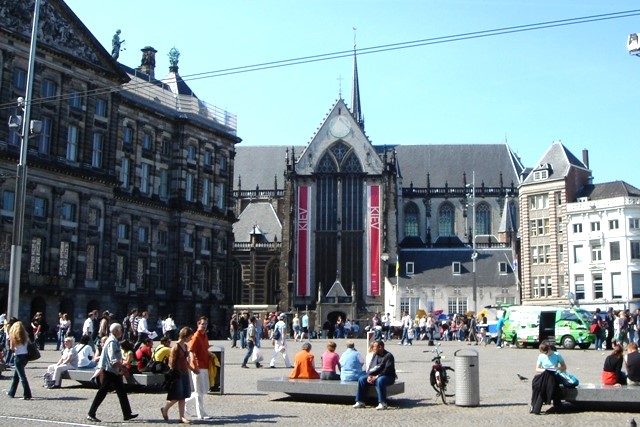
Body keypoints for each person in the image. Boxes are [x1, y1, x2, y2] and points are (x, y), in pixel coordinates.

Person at [87, 323, 138, 423]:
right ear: (117, 331)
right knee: (102, 392)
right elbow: (113, 359)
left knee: (121, 392)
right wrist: (123, 367)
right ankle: (91, 413)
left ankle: (127, 414)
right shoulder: (112, 342)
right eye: (121, 330)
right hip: (110, 371)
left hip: (113, 371)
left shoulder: (113, 340)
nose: (122, 332)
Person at [161, 327, 194, 424]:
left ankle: (182, 417)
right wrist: (173, 374)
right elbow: (171, 363)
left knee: (183, 396)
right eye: (190, 337)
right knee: (177, 396)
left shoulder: (185, 346)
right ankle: (165, 409)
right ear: (185, 336)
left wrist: (192, 369)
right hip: (177, 374)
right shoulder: (175, 347)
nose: (191, 339)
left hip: (184, 373)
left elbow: (185, 361)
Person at [353, 340, 396, 410]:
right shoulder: (375, 355)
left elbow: (387, 370)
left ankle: (382, 403)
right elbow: (371, 367)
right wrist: (369, 375)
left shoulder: (389, 356)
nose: (373, 349)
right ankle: (360, 401)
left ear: (380, 347)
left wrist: (376, 376)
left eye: (374, 347)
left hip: (388, 376)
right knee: (361, 379)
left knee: (380, 380)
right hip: (375, 375)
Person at [186, 316, 212, 420]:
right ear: (198, 324)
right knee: (198, 391)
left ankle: (185, 402)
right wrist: (194, 365)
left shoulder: (205, 335)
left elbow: (205, 348)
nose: (204, 326)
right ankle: (201, 413)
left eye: (206, 324)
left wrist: (209, 354)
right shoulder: (195, 336)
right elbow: (191, 351)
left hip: (205, 365)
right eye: (202, 324)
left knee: (204, 389)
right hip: (198, 366)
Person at [530, 341, 566, 415]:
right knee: (540, 383)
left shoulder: (557, 355)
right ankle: (537, 405)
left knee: (546, 383)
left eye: (546, 353)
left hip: (554, 375)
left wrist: (557, 368)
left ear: (549, 349)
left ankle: (536, 407)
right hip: (544, 376)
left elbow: (564, 367)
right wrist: (545, 370)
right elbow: (537, 369)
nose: (545, 354)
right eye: (544, 353)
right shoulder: (541, 356)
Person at [6, 321, 32, 400]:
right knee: (16, 376)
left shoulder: (13, 335)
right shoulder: (25, 335)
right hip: (25, 356)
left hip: (18, 356)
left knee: (22, 376)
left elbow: (12, 348)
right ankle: (11, 392)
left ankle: (27, 394)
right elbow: (30, 344)